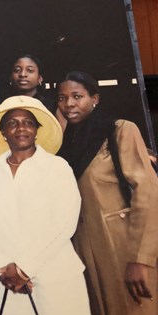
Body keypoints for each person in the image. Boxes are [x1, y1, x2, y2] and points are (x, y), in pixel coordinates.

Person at [0, 95, 91, 314]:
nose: (21, 128)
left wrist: (24, 268)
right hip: (8, 279)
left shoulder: (57, 167)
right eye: (12, 123)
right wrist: (4, 266)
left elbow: (65, 225)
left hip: (56, 274)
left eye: (28, 122)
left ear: (37, 130)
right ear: (3, 132)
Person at [56, 71, 158, 315]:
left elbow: (147, 193)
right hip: (86, 255)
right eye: (62, 98)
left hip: (124, 249)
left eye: (77, 96)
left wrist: (140, 260)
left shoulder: (119, 130)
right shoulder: (64, 144)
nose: (69, 104)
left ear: (95, 99)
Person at [7, 53, 66, 130]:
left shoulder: (52, 105)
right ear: (11, 77)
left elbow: (61, 132)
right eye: (17, 70)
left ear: (39, 79)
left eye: (30, 70)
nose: (22, 74)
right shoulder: (6, 106)